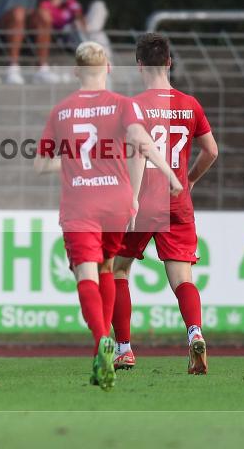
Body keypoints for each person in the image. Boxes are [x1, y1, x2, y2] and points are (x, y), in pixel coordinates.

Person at [35, 41, 181, 391]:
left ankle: (103, 339)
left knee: (85, 271)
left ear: (75, 71)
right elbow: (142, 143)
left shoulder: (61, 111)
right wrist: (171, 175)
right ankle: (111, 343)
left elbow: (40, 164)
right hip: (115, 203)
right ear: (109, 69)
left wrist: (70, 163)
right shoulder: (123, 105)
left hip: (80, 202)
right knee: (107, 268)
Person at [111, 33, 218, 375]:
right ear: (169, 62)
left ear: (139, 65)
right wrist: (188, 181)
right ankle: (195, 333)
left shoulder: (134, 106)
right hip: (177, 201)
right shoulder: (189, 104)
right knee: (182, 278)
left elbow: (135, 155)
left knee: (118, 271)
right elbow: (212, 151)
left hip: (143, 201)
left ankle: (125, 349)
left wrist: (129, 201)